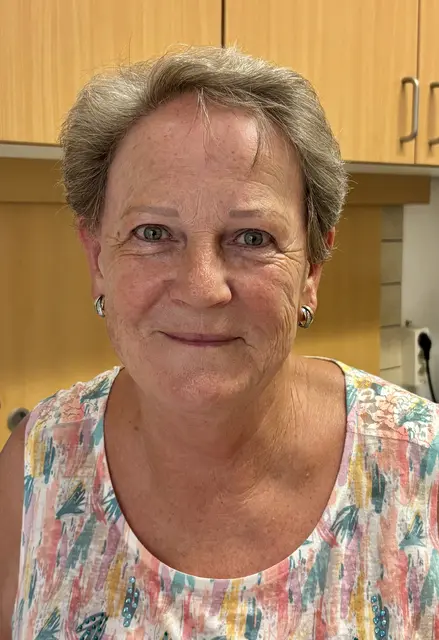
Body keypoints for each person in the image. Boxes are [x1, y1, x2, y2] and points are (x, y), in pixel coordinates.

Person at [0, 46, 438, 640]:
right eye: (153, 232)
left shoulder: (422, 468)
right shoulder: (36, 467)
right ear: (97, 257)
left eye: (252, 237)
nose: (202, 288)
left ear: (312, 268)